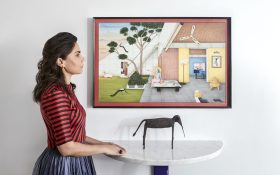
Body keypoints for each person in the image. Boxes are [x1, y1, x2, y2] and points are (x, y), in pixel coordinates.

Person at [32, 32, 126, 175]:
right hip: (63, 166)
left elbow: (76, 136)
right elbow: (66, 148)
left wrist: (105, 144)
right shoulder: (55, 94)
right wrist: (105, 149)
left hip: (76, 162)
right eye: (77, 54)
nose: (83, 58)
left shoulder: (66, 90)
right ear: (60, 62)